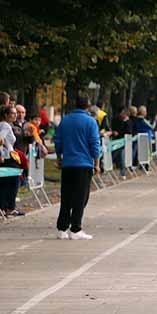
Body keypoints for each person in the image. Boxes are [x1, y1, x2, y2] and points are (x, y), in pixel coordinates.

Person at [55, 95, 102, 240]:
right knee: (81, 197)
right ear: (88, 106)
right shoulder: (91, 122)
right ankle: (75, 228)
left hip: (68, 163)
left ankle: (62, 228)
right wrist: (97, 163)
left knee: (67, 196)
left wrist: (59, 158)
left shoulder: (65, 120)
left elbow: (58, 141)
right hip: (84, 164)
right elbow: (94, 143)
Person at [0, 106, 22, 217]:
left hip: (6, 156)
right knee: (12, 182)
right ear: (6, 115)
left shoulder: (1, 124)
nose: (15, 115)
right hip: (7, 158)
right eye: (12, 113)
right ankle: (9, 207)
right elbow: (0, 139)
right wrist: (0, 154)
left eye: (15, 113)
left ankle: (4, 207)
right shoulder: (5, 126)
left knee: (4, 183)